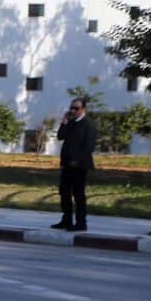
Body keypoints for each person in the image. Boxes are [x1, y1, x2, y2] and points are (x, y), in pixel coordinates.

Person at [53, 97, 97, 231]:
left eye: (76, 108)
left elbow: (88, 146)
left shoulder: (88, 124)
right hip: (67, 164)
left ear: (83, 109)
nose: (73, 111)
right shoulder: (71, 123)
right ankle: (66, 219)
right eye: (71, 108)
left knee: (78, 194)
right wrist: (64, 122)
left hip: (80, 166)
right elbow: (60, 136)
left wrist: (77, 161)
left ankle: (81, 222)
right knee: (64, 192)